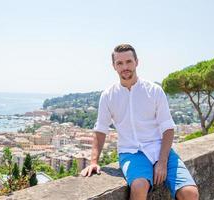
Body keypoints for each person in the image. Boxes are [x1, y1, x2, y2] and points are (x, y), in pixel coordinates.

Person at [80, 44, 199, 200]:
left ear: (137, 62)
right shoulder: (108, 95)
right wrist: (93, 161)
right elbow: (101, 129)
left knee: (190, 193)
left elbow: (168, 128)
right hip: (130, 153)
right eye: (120, 63)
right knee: (139, 186)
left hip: (160, 149)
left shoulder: (154, 90)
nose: (125, 67)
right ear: (114, 66)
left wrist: (162, 162)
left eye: (129, 61)